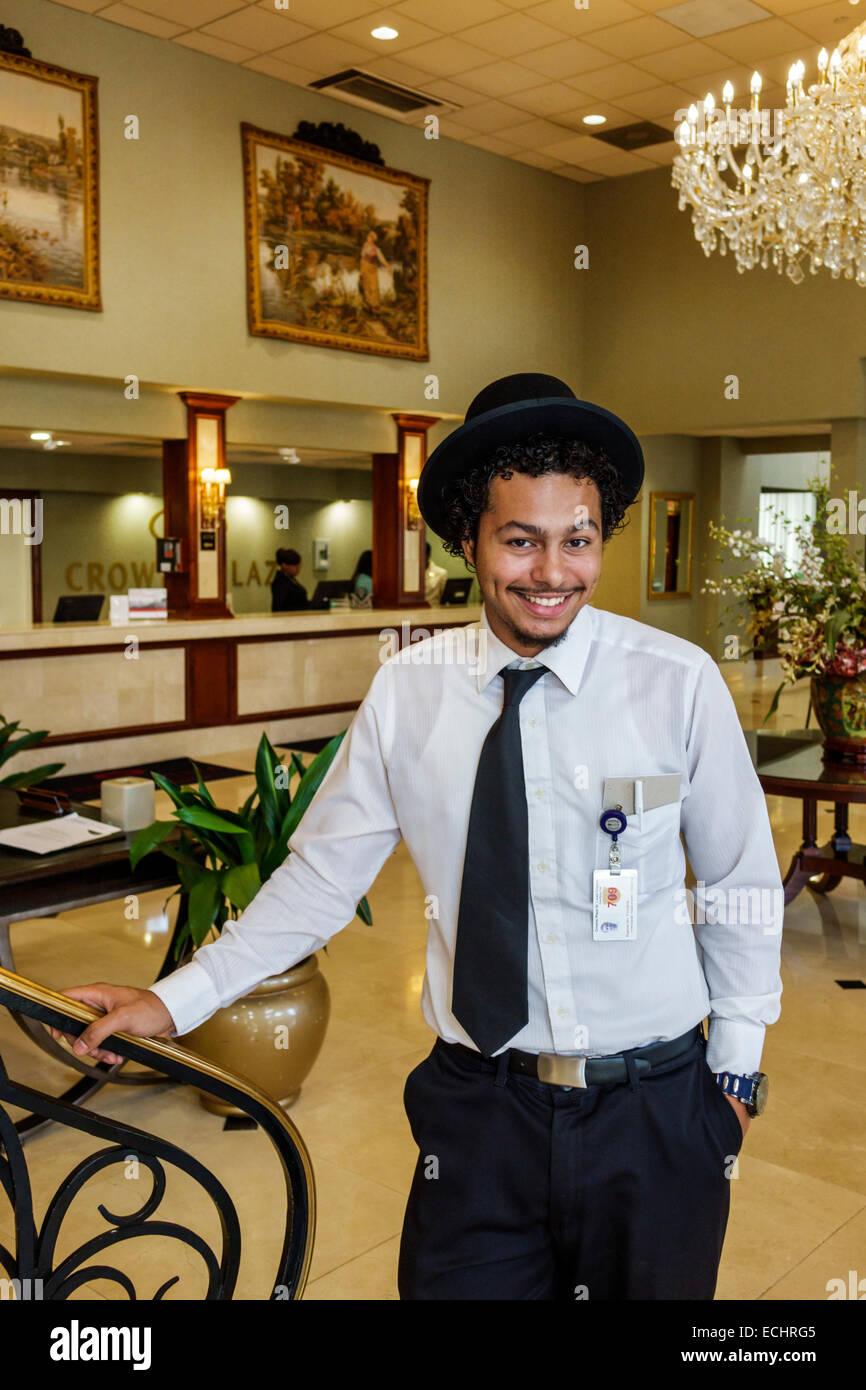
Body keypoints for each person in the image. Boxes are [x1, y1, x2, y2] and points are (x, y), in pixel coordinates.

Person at [51, 373, 783, 1301]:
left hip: (656, 1112)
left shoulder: (675, 682)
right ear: (469, 540)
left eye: (578, 540)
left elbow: (738, 883)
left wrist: (736, 1082)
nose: (552, 573)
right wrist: (175, 1001)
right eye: (520, 541)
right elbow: (322, 879)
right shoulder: (410, 691)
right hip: (480, 1111)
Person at [270, 547, 308, 612]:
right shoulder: (280, 582)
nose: (298, 568)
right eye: (295, 565)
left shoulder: (291, 580)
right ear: (284, 565)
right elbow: (279, 607)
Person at [424, 541, 448, 605]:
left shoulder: (441, 573)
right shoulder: (408, 573)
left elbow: (442, 596)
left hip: (434, 609)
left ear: (428, 555)